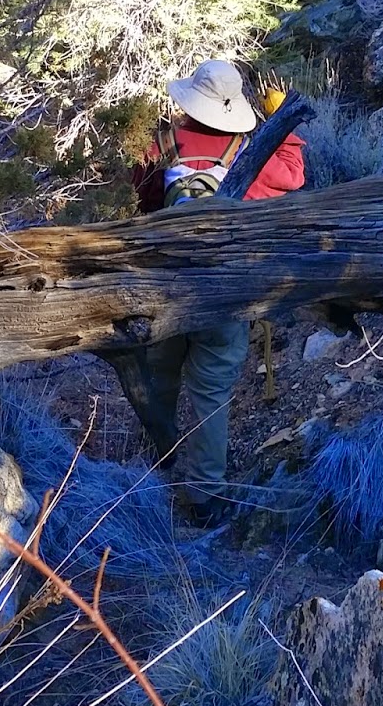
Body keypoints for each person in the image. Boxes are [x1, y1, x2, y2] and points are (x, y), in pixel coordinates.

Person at [129, 58, 305, 526]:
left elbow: (142, 202)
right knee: (210, 388)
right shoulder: (249, 151)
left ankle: (156, 461)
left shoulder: (160, 143)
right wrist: (282, 120)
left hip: (166, 283)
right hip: (226, 288)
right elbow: (293, 177)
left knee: (160, 373)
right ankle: (205, 494)